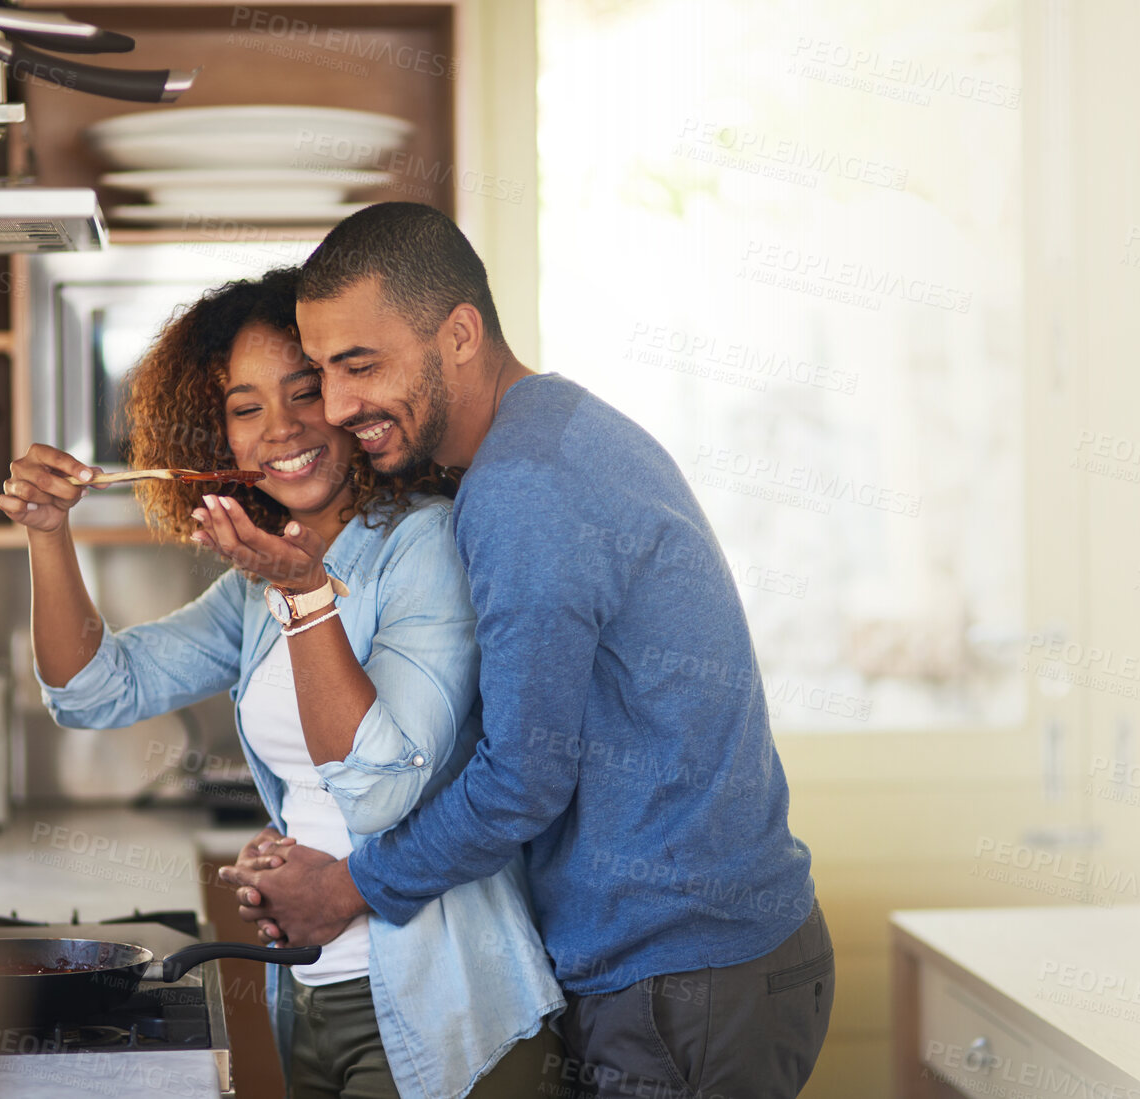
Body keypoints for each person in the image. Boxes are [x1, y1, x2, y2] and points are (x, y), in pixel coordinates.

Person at [221, 204, 834, 1098]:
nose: (341, 406)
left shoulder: (519, 491)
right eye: (325, 372)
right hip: (707, 962)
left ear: (460, 334)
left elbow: (523, 779)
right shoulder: (552, 430)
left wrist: (353, 884)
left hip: (678, 982)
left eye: (362, 365)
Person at [0, 267, 565, 1099]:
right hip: (310, 992)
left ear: (350, 399)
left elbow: (375, 788)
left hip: (447, 1004)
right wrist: (50, 534)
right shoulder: (260, 584)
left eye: (305, 392)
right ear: (215, 437)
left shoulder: (422, 543)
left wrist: (305, 598)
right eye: (245, 407)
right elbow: (94, 690)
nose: (281, 428)